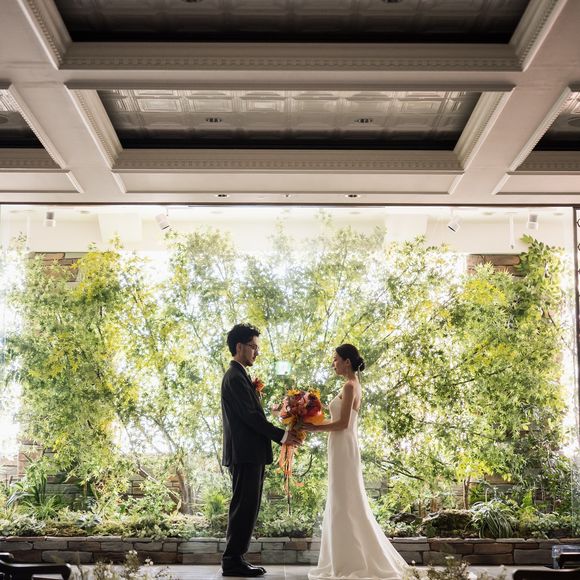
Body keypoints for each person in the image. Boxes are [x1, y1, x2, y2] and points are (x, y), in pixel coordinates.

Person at [303, 344, 409, 580]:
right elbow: (338, 421)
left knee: (345, 501)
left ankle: (350, 561)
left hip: (344, 445)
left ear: (347, 362)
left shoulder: (350, 386)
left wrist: (314, 428)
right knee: (343, 500)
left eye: (335, 359)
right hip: (341, 446)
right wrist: (310, 421)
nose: (333, 364)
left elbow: (342, 423)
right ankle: (344, 557)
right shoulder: (351, 385)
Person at [221, 323, 302, 578]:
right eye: (253, 347)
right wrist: (283, 436)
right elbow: (250, 417)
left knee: (248, 506)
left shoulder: (241, 376)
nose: (257, 352)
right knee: (244, 506)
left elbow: (252, 414)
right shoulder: (234, 377)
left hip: (249, 453)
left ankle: (236, 558)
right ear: (239, 347)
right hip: (244, 453)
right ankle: (232, 560)